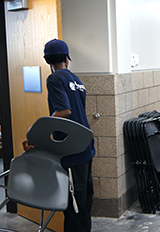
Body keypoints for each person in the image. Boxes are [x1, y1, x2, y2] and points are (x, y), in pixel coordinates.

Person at [23, 39, 95, 231]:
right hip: (85, 147)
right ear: (66, 58)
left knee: (74, 208)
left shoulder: (54, 79)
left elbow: (64, 111)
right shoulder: (76, 80)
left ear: (47, 61)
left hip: (71, 152)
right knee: (84, 202)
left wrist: (38, 133)